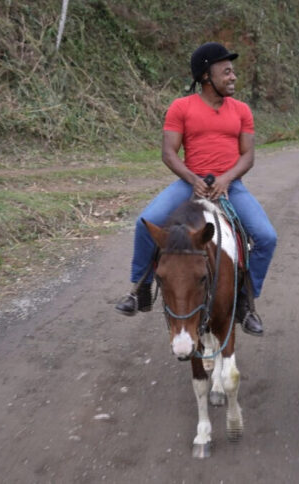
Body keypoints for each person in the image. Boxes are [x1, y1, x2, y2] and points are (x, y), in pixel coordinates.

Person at [116, 42, 277, 336]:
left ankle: (246, 301)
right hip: (190, 182)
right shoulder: (181, 107)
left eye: (233, 72)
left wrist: (227, 179)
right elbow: (169, 153)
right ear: (206, 76)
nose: (233, 77)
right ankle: (140, 287)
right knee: (145, 223)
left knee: (266, 236)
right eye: (226, 72)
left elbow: (248, 156)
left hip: (231, 185)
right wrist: (193, 180)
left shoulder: (242, 110)